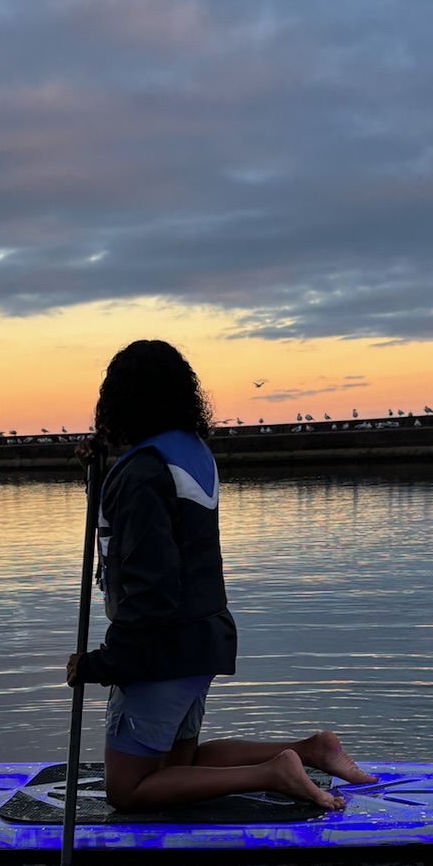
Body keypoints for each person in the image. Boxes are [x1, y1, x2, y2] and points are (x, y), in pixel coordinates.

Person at [65, 339, 372, 811]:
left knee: (127, 790)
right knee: (174, 770)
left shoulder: (142, 472)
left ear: (119, 400)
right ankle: (312, 751)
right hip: (202, 638)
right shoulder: (190, 452)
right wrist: (101, 470)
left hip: (160, 650)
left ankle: (276, 771)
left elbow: (152, 590)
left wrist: (102, 665)